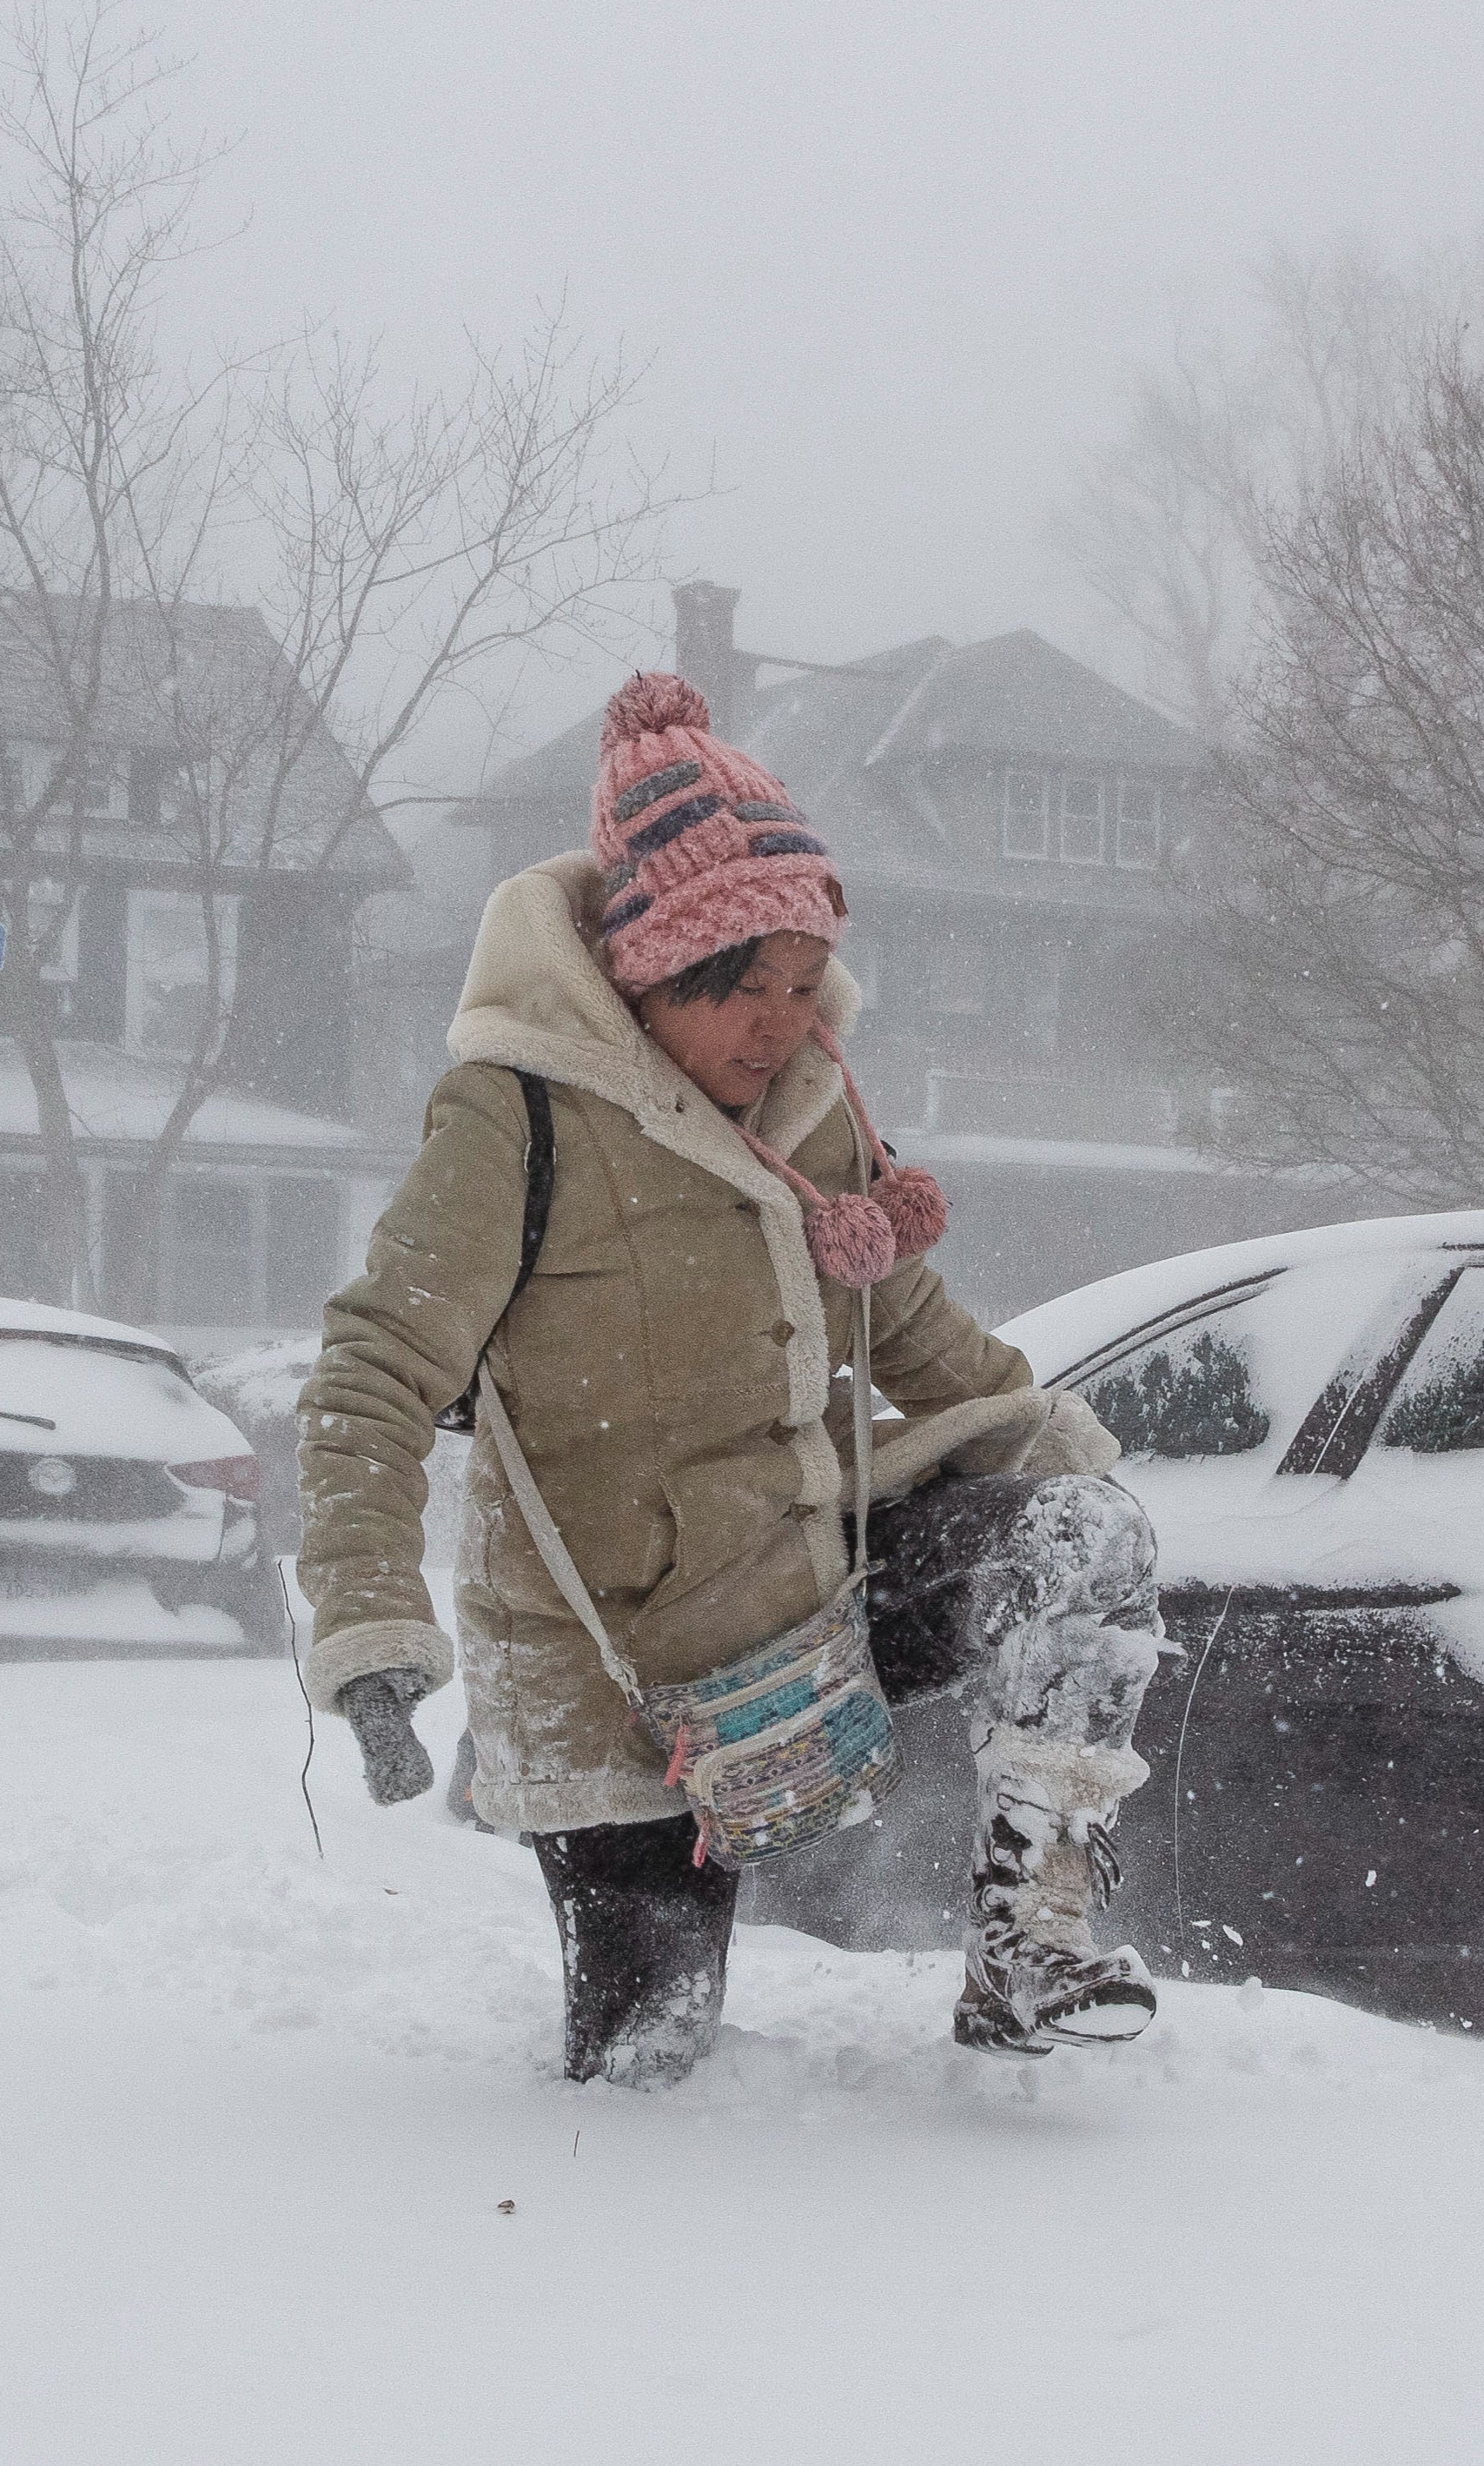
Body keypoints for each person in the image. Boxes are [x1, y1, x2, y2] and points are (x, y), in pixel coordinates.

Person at [295, 671, 1164, 2087]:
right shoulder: (516, 1113)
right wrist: (373, 1626)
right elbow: (373, 1372)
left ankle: (1036, 1943)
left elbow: (922, 1336)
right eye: (740, 987)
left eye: (802, 984)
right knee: (650, 2067)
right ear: (648, 970)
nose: (779, 1023)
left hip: (809, 1596)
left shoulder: (813, 1116)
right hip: (618, 1670)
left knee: (1081, 1532)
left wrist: (1082, 1459)